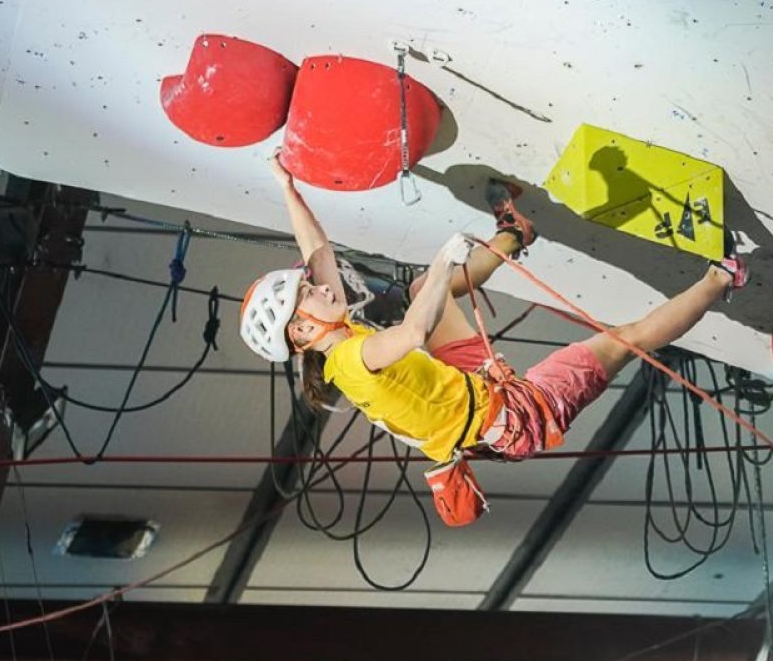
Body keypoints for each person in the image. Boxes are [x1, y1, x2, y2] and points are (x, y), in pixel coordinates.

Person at [240, 154, 747, 521]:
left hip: (464, 385)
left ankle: (515, 230)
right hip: (509, 418)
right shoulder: (350, 360)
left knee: (423, 289)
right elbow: (414, 327)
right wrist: (444, 260)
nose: (317, 286)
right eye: (307, 293)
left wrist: (287, 187)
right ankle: (722, 277)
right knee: (621, 340)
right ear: (303, 331)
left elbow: (318, 250)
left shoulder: (334, 339)